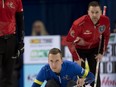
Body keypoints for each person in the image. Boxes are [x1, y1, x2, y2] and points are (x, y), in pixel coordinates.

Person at [66, 1, 110, 87]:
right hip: (79, 50)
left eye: (97, 12)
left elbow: (106, 36)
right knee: (80, 76)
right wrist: (76, 58)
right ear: (88, 12)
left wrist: (101, 52)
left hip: (94, 49)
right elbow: (69, 41)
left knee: (95, 75)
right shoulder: (79, 23)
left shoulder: (105, 21)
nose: (94, 15)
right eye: (92, 12)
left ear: (101, 12)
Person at [0, 0, 24, 87]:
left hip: (11, 40)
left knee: (8, 77)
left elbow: (20, 22)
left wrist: (21, 42)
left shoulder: (17, 1)